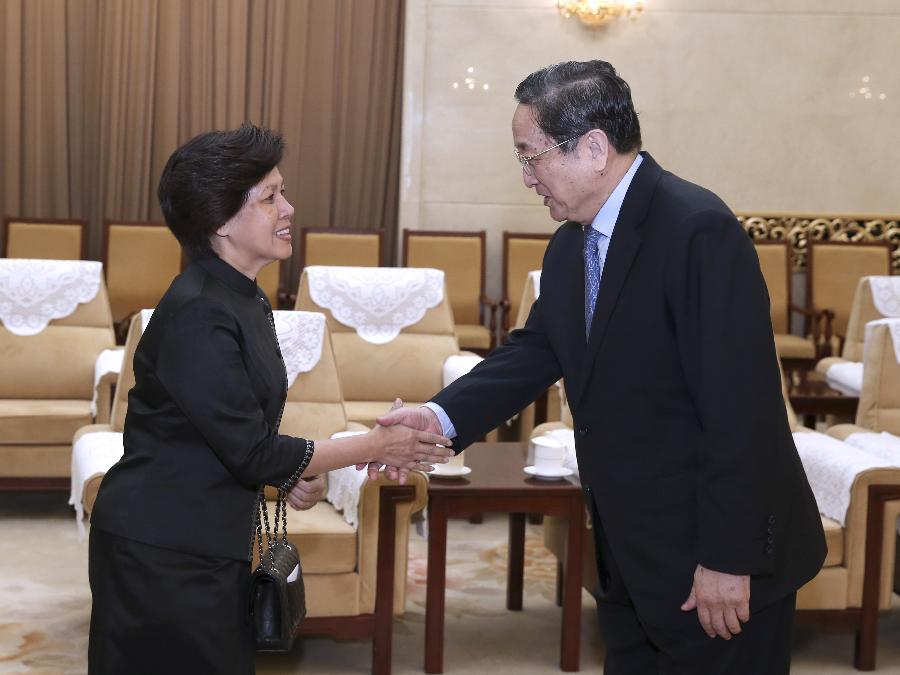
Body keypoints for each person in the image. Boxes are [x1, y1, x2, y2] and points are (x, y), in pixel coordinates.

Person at [375, 61, 826, 674]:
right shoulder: (572, 242)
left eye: (531, 157)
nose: (528, 177)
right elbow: (536, 351)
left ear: (592, 148)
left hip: (712, 564)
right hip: (632, 557)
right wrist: (439, 416)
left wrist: (728, 557)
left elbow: (741, 409)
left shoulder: (696, 230)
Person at [87, 124, 452, 675]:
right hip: (160, 552)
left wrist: (290, 473)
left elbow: (226, 430)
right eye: (269, 197)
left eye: (281, 191)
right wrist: (374, 444)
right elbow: (251, 450)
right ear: (219, 222)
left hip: (206, 540)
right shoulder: (198, 313)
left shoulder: (244, 298)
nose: (288, 207)